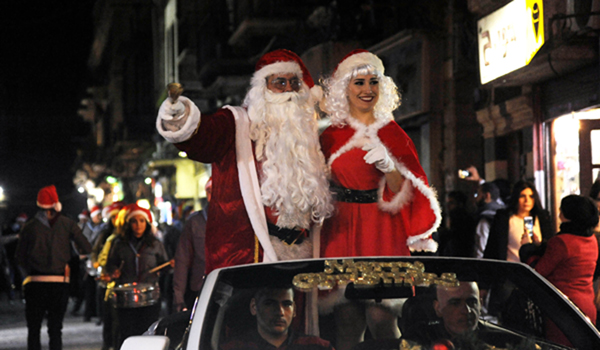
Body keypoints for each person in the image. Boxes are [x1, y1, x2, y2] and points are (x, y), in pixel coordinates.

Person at [155, 49, 333, 273]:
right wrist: (180, 118)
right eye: (280, 82)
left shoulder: (308, 138)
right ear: (262, 89)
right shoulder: (236, 123)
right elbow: (205, 138)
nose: (289, 90)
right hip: (249, 258)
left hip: (302, 260)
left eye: (295, 83)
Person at [317, 49, 441, 350]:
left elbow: (410, 190)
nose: (367, 90)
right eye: (359, 82)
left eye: (374, 82)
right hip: (342, 229)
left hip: (383, 230)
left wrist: (390, 167)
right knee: (346, 319)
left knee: (382, 317)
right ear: (344, 87)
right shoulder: (330, 135)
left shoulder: (393, 132)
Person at [16, 185, 92, 350]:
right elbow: (87, 248)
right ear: (56, 204)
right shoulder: (68, 224)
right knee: (55, 329)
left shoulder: (29, 227)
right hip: (59, 282)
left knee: (34, 329)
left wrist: (26, 277)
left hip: (34, 283)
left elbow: (19, 257)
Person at [529, 195, 599, 347]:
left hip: (564, 308)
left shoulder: (561, 242)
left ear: (569, 214)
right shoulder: (591, 239)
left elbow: (538, 272)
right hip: (587, 305)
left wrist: (529, 251)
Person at [105, 203, 172, 349]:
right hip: (126, 299)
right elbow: (110, 264)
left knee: (148, 333)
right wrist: (114, 271)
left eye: (142, 221)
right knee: (127, 334)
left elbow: (165, 265)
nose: (138, 225)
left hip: (149, 298)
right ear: (129, 224)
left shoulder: (155, 244)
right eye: (134, 221)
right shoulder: (119, 244)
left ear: (147, 223)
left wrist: (167, 267)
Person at [220, 287, 334, 350]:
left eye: (286, 304)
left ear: (294, 309)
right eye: (270, 304)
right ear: (254, 307)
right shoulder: (234, 348)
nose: (280, 312)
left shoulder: (318, 347)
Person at [483, 180, 553, 262]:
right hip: (511, 268)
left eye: (531, 196)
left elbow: (550, 247)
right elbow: (493, 248)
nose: (527, 200)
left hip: (535, 269)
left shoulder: (542, 218)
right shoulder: (504, 219)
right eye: (522, 196)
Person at [173, 178, 211, 312]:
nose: (212, 195)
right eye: (209, 191)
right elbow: (183, 259)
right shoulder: (195, 222)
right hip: (200, 288)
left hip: (229, 286)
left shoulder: (234, 221)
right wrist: (179, 298)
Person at [474, 182, 505, 258]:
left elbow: (481, 247)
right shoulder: (504, 214)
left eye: (478, 194)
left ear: (487, 195)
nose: (476, 198)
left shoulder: (485, 219)